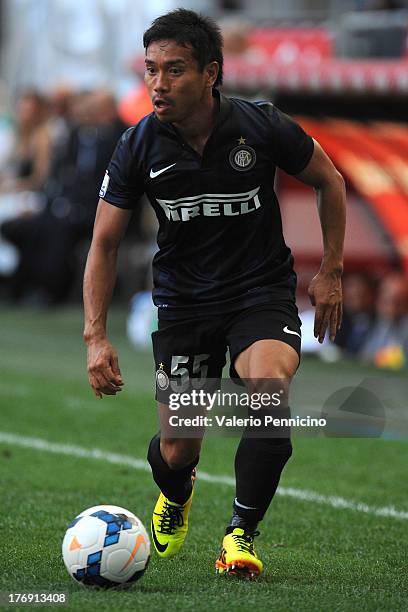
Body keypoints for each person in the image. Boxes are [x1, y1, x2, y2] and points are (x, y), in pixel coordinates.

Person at [83, 9, 345, 579]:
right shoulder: (137, 146)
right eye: (151, 70)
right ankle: (177, 491)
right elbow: (103, 243)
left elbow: (330, 180)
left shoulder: (261, 124)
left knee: (269, 397)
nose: (158, 84)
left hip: (260, 291)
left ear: (211, 73)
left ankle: (239, 537)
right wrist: (95, 336)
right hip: (183, 304)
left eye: (174, 70)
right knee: (178, 450)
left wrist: (330, 271)